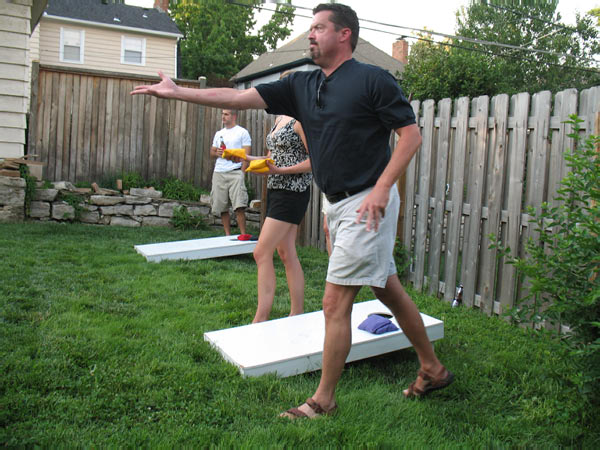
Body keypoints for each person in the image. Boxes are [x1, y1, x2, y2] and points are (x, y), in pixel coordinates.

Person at [131, 2, 453, 419]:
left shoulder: (373, 80)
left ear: (344, 35)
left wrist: (383, 188)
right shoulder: (302, 85)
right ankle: (433, 368)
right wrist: (179, 92)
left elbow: (409, 137)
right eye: (310, 28)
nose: (311, 35)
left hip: (367, 202)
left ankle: (323, 401)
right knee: (385, 286)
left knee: (334, 302)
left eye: (319, 27)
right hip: (337, 201)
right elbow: (236, 96)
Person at [240, 71, 312, 323]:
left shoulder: (301, 119)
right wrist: (247, 158)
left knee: (261, 252)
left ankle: (261, 318)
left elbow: (315, 161)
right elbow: (271, 157)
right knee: (286, 252)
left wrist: (281, 170)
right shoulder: (280, 118)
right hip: (276, 187)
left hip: (293, 191)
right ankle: (297, 313)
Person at [209, 109, 251, 236]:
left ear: (234, 116)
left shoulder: (242, 132)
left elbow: (246, 155)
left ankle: (243, 234)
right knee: (222, 207)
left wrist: (241, 173)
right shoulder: (219, 134)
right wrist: (216, 153)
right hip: (219, 172)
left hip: (235, 172)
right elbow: (212, 152)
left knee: (239, 206)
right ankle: (227, 236)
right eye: (222, 114)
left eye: (226, 114)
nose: (223, 116)